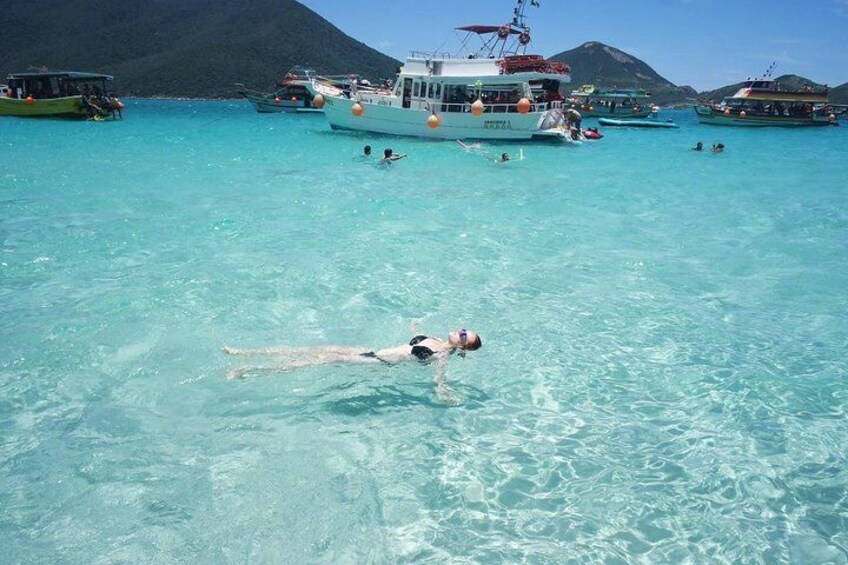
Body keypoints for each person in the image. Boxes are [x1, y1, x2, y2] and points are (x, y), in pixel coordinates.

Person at [224, 329, 483, 403]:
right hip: (372, 351)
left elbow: (439, 380)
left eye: (464, 336)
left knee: (316, 361)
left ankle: (248, 370)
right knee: (318, 349)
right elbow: (412, 340)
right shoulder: (437, 339)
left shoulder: (443, 356)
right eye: (464, 330)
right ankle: (242, 352)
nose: (460, 332)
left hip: (376, 361)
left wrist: (444, 393)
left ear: (463, 347)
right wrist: (415, 326)